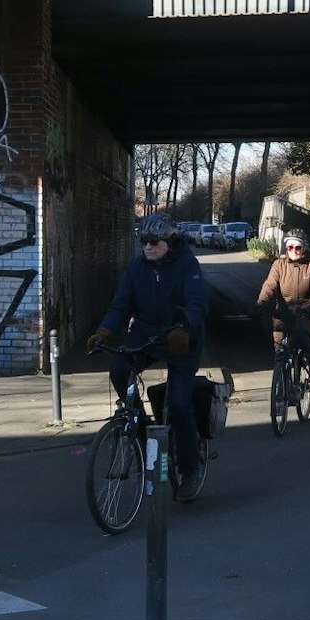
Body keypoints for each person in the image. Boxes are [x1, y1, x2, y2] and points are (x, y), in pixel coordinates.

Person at [89, 212, 211, 500]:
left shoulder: (187, 266)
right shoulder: (135, 269)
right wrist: (105, 331)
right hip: (146, 335)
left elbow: (197, 302)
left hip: (180, 337)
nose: (148, 247)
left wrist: (185, 329)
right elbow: (121, 306)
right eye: (143, 241)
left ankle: (190, 471)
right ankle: (142, 432)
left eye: (154, 242)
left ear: (170, 242)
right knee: (119, 370)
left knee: (180, 403)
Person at [257, 228, 310, 383]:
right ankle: (282, 383)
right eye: (290, 247)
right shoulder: (279, 265)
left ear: (304, 248)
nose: (294, 251)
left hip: (306, 313)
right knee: (279, 345)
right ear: (286, 248)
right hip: (284, 314)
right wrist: (262, 303)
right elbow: (269, 286)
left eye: (298, 247)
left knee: (300, 332)